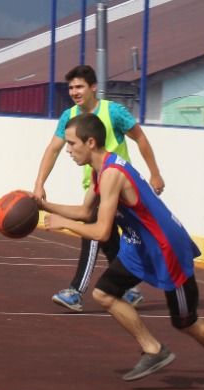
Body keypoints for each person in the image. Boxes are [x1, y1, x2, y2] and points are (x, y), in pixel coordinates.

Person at [37, 112, 204, 390]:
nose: (68, 150)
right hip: (141, 246)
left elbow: (101, 231)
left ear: (90, 142)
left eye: (72, 143)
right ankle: (153, 349)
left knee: (186, 322)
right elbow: (85, 211)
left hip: (167, 250)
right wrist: (44, 205)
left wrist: (65, 225)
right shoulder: (100, 169)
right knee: (104, 293)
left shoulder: (112, 174)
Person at [32, 63, 165, 312]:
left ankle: (75, 291)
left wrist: (155, 173)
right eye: (71, 87)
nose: (75, 91)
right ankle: (127, 288)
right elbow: (53, 149)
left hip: (119, 183)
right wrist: (39, 184)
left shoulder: (114, 112)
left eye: (80, 86)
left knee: (93, 229)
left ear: (93, 87)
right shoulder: (69, 117)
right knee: (108, 239)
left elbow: (140, 138)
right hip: (94, 184)